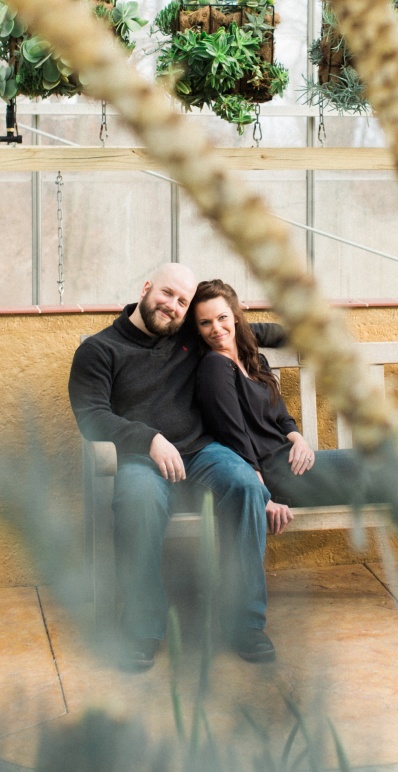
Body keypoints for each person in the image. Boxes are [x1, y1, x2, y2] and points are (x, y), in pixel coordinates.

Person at [68, 263, 285, 670]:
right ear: (146, 287)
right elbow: (91, 415)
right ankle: (143, 626)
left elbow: (247, 330)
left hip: (203, 453)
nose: (173, 306)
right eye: (167, 294)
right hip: (140, 461)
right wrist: (147, 439)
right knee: (138, 499)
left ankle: (245, 623)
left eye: (183, 302)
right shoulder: (99, 351)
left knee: (246, 486)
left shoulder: (186, 334)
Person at [191, 279, 398, 530]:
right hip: (277, 478)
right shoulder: (215, 368)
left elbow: (280, 415)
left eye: (222, 318)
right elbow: (234, 439)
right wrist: (262, 498)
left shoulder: (252, 358)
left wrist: (297, 438)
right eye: (205, 323)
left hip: (293, 461)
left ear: (235, 316)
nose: (216, 329)